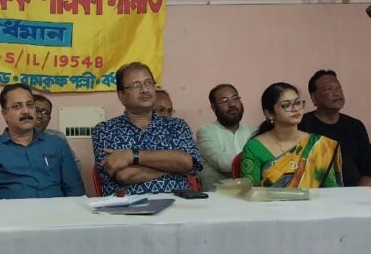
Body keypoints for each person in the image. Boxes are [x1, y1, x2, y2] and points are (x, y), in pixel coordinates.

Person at [92, 62, 202, 196]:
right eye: (136, 85)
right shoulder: (105, 130)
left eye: (148, 83)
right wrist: (174, 166)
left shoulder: (177, 125)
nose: (144, 89)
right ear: (122, 96)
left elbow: (187, 162)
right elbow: (125, 175)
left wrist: (131, 156)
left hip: (177, 205)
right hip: (127, 206)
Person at [0, 83, 85, 199]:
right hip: (11, 211)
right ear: (5, 114)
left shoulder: (58, 145)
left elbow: (76, 193)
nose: (26, 111)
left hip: (58, 210)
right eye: (17, 106)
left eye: (30, 105)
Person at [240, 82, 341, 188]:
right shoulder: (254, 147)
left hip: (315, 199)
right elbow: (250, 192)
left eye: (297, 103)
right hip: (270, 200)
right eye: (286, 105)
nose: (296, 109)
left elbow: (332, 191)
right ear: (269, 114)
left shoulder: (321, 145)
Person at [298, 70, 371, 186]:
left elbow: (368, 166)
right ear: (314, 97)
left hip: (354, 191)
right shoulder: (301, 125)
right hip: (317, 192)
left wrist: (360, 191)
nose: (337, 93)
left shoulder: (355, 125)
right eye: (329, 89)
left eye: (338, 88)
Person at [196, 83, 255, 188]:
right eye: (224, 100)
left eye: (235, 98)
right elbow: (223, 163)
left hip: (250, 194)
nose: (232, 104)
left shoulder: (253, 131)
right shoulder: (205, 132)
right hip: (217, 196)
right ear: (214, 107)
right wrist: (257, 162)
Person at [33, 93, 81, 170]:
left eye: (45, 112)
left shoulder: (57, 137)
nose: (40, 116)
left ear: (49, 119)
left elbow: (74, 165)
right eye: (36, 110)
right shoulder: (14, 140)